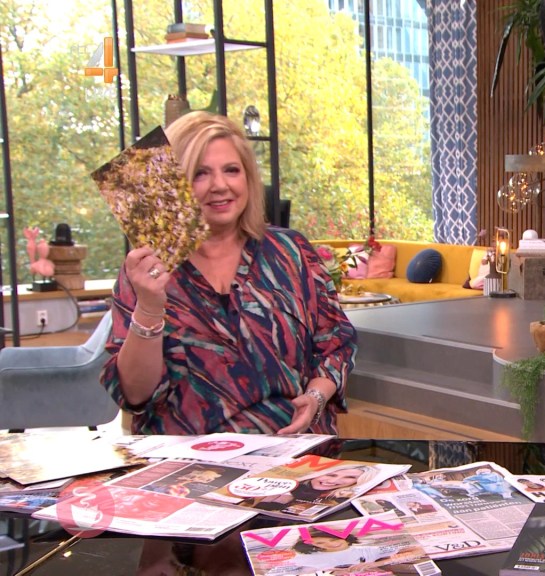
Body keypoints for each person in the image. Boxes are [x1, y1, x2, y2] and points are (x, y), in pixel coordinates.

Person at [101, 111, 356, 436]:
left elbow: (336, 343)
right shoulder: (147, 271)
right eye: (200, 173)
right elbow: (134, 395)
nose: (220, 186)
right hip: (188, 460)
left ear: (248, 177)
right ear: (174, 184)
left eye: (231, 170)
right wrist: (149, 307)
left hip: (291, 453)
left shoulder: (292, 252)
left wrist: (316, 397)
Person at [255, 465, 375, 509]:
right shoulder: (285, 486)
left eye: (350, 477)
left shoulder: (340, 500)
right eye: (331, 474)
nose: (333, 480)